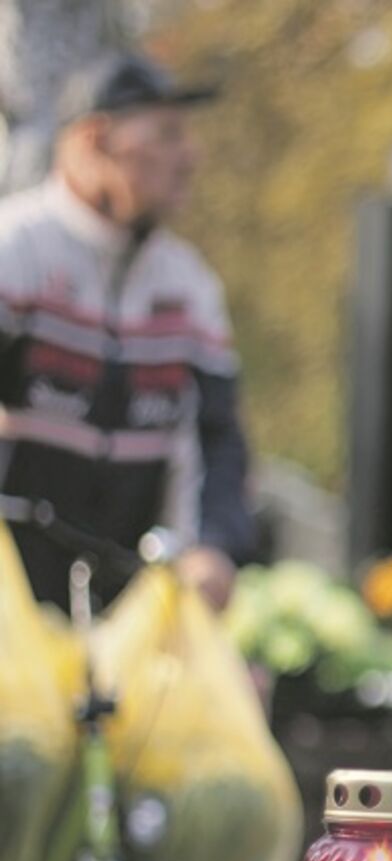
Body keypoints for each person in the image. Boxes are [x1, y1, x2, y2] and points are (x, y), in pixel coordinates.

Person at [0, 51, 253, 612]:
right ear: (93, 142)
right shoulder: (16, 250)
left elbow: (219, 441)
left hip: (125, 601)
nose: (190, 156)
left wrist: (213, 546)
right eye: (165, 135)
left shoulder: (189, 288)